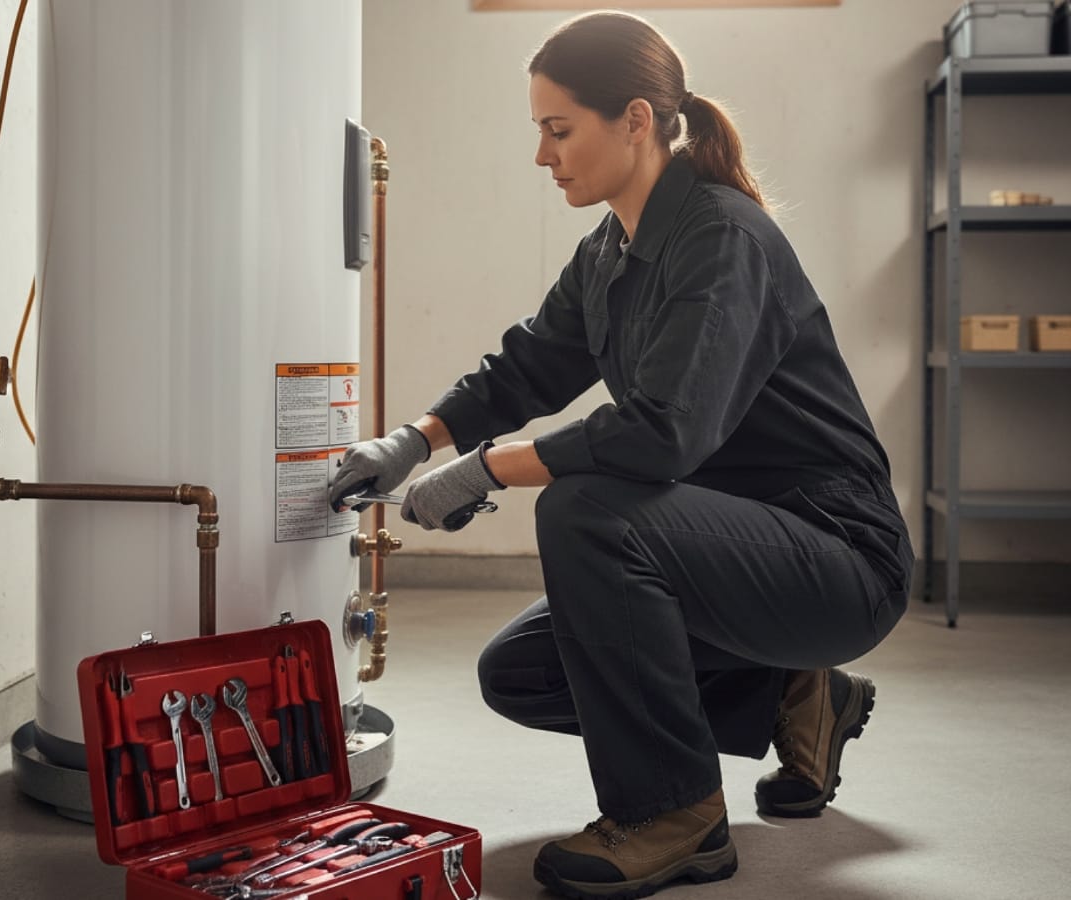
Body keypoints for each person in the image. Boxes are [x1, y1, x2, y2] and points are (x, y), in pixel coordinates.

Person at [330, 10, 912, 898]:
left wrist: (486, 469)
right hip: (736, 556)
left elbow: (662, 433)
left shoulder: (723, 238)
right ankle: (795, 693)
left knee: (585, 505)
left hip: (838, 558)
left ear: (636, 119)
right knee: (521, 673)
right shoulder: (610, 250)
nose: (542, 155)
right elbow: (524, 367)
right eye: (540, 132)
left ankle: (674, 816)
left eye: (558, 130)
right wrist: (413, 440)